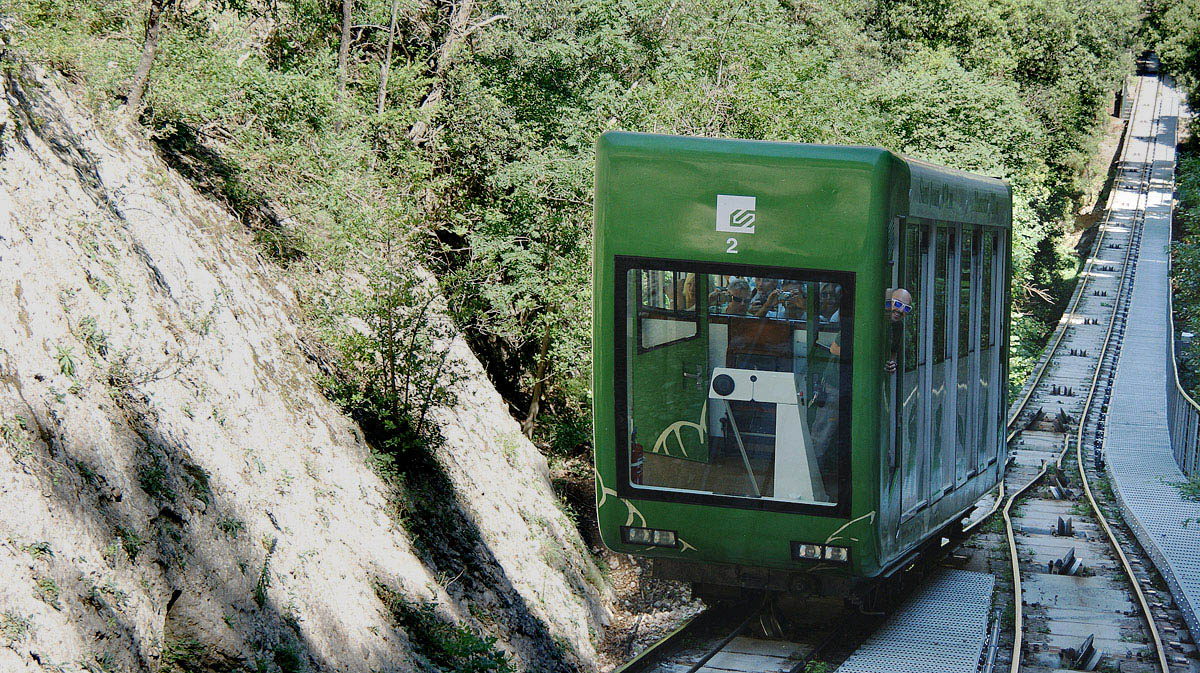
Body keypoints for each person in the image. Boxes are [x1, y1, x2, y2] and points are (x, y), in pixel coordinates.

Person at [884, 288, 913, 374]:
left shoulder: (898, 327)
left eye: (906, 308)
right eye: (897, 304)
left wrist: (892, 365)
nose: (901, 310)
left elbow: (893, 353)